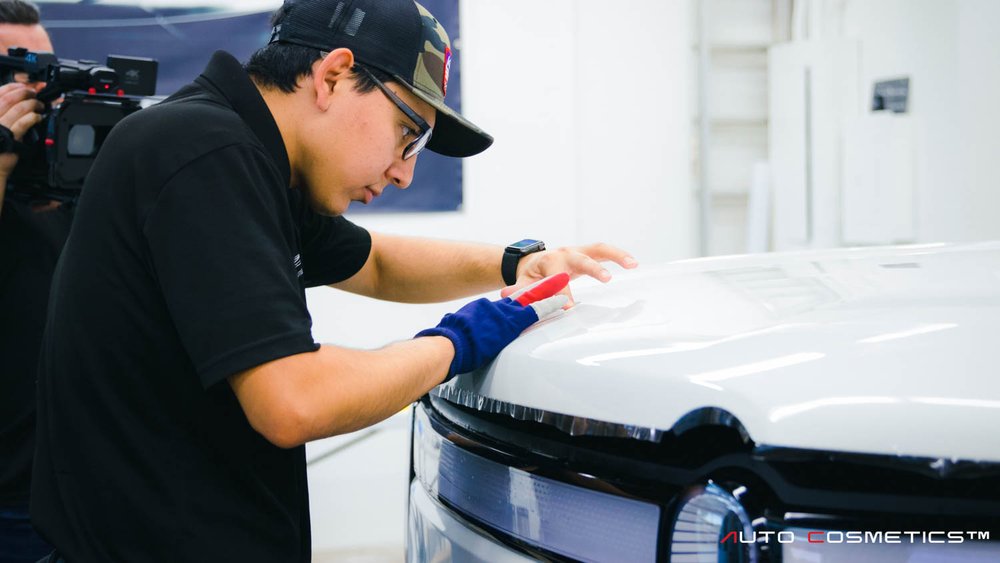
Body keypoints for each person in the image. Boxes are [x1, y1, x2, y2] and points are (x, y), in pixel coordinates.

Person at [31, 0, 637, 560]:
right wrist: (461, 340)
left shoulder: (255, 158)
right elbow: (294, 400)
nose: (403, 173)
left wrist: (515, 262)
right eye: (408, 134)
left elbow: (375, 263)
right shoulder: (206, 153)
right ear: (333, 75)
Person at [0, 2, 60, 561]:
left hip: (76, 493)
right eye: (10, 71)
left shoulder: (68, 169)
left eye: (41, 71)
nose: (31, 89)